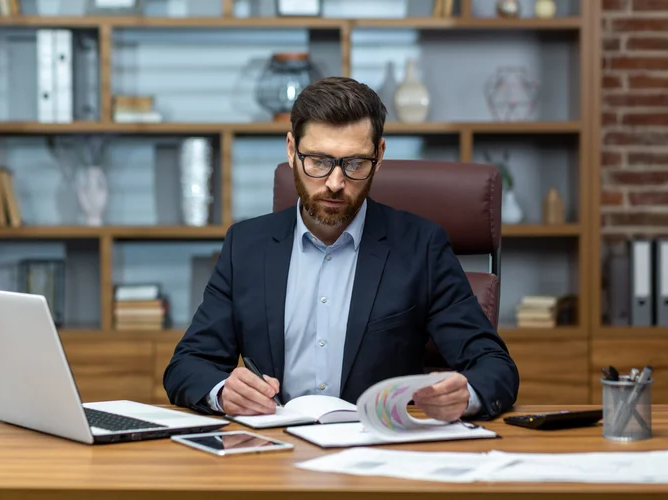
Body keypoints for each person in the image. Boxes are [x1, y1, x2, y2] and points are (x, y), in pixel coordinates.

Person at [163, 76, 519, 422]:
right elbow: (188, 364)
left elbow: (494, 366)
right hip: (275, 452)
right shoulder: (246, 246)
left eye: (354, 164)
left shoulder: (421, 246)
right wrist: (224, 391)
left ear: (378, 155)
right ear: (291, 150)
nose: (335, 183)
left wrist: (466, 395)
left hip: (378, 452)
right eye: (318, 161)